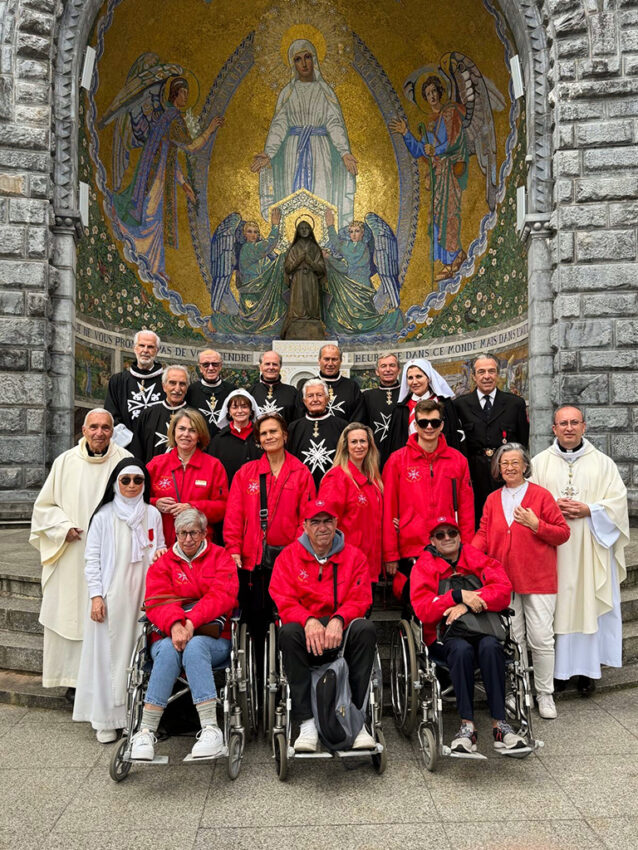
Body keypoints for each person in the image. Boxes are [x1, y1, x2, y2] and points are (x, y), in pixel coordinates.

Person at [29, 409, 131, 692]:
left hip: (112, 554)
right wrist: (63, 529)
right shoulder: (65, 463)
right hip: (73, 551)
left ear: (113, 431)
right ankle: (73, 682)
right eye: (94, 427)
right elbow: (44, 507)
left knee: (109, 616)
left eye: (106, 428)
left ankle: (105, 683)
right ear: (83, 430)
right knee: (71, 613)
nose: (100, 433)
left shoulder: (124, 461)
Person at [531, 405, 629, 696]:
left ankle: (587, 672)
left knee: (587, 604)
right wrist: (550, 509)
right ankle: (558, 673)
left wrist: (590, 509)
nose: (569, 428)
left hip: (590, 547)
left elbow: (618, 503)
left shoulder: (603, 463)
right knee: (558, 608)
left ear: (584, 427)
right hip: (554, 549)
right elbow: (529, 502)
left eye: (575, 423)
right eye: (563, 423)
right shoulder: (539, 463)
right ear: (554, 429)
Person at [128, 508, 238, 761]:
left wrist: (190, 622)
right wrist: (176, 624)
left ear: (204, 532)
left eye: (194, 533)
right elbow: (156, 600)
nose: (188, 539)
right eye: (182, 533)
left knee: (196, 645)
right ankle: (146, 731)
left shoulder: (220, 558)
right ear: (175, 534)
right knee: (167, 649)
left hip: (213, 638)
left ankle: (210, 728)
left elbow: (223, 595)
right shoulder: (163, 563)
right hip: (168, 636)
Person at [411, 516, 527, 754]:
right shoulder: (424, 565)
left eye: (451, 533)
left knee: (491, 646)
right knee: (461, 650)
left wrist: (470, 602)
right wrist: (456, 596)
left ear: (460, 536)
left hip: (482, 629)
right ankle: (467, 726)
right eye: (440, 535)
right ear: (432, 540)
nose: (447, 538)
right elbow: (423, 609)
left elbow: (504, 590)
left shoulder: (476, 557)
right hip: (446, 637)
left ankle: (500, 724)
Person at [269, 499, 376, 752]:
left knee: (365, 629)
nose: (322, 527)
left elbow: (361, 598)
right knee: (288, 632)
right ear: (304, 526)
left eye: (327, 521)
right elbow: (282, 597)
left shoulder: (354, 556)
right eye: (315, 522)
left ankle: (357, 721)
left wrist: (339, 619)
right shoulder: (288, 557)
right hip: (306, 635)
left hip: (340, 634)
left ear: (337, 523)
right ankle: (306, 723)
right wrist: (307, 620)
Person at [472, 443, 570, 719]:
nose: (511, 468)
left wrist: (536, 524)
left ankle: (544, 694)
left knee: (541, 639)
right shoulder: (492, 499)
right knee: (513, 639)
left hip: (538, 578)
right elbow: (484, 533)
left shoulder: (541, 496)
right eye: (505, 464)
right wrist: (467, 555)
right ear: (498, 469)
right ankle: (517, 691)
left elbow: (562, 533)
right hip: (504, 581)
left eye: (516, 462)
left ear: (526, 466)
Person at [73, 460, 166, 742]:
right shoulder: (103, 516)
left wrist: (161, 555)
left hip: (142, 595)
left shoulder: (151, 514)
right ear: (116, 482)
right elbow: (92, 560)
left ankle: (132, 718)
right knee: (107, 657)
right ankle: (104, 720)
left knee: (137, 656)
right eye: (125, 480)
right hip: (112, 596)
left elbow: (158, 546)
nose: (131, 486)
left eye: (138, 480)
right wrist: (96, 596)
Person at [112, 75, 223, 278]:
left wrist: (183, 183)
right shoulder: (173, 118)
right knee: (151, 214)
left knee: (156, 216)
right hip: (156, 176)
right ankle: (138, 249)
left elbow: (169, 153)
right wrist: (210, 129)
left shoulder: (167, 117)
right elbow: (191, 147)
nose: (186, 97)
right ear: (175, 94)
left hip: (159, 173)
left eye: (188, 94)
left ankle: (154, 265)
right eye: (184, 93)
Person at [224, 413, 315, 644]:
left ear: (284, 436)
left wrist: (293, 551)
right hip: (252, 561)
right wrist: (233, 548)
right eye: (264, 433)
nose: (269, 436)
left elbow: (305, 518)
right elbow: (235, 515)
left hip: (289, 561)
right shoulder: (246, 473)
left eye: (273, 431)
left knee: (287, 620)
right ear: (258, 440)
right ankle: (259, 674)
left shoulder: (300, 472)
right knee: (255, 621)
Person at [250, 38, 357, 227]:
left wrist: (344, 152)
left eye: (308, 57)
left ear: (314, 60)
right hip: (294, 150)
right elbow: (279, 124)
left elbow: (334, 123)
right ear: (293, 64)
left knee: (321, 194)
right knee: (292, 195)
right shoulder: (288, 93)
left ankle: (322, 243)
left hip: (319, 149)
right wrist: (269, 152)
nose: (304, 63)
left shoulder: (324, 92)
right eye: (298, 59)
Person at [382, 399, 474, 609]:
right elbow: (389, 510)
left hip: (448, 545)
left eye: (434, 422)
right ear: (415, 425)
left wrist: (466, 550)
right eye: (423, 423)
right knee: (415, 606)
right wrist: (390, 554)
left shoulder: (458, 460)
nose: (429, 427)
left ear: (442, 424)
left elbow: (467, 510)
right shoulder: (397, 460)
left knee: (447, 606)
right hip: (411, 546)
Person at [389, 75, 468, 282]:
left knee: (449, 213)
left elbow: (456, 142)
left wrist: (437, 150)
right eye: (427, 94)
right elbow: (418, 151)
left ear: (440, 92)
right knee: (437, 218)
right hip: (437, 177)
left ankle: (456, 256)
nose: (432, 96)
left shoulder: (451, 114)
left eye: (434, 92)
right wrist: (406, 133)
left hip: (449, 172)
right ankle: (447, 262)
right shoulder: (429, 126)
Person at [453, 354, 529, 527]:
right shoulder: (459, 405)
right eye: (481, 372)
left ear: (498, 374)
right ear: (473, 376)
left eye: (491, 371)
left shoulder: (514, 404)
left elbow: (522, 443)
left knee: (506, 523)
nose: (486, 376)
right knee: (477, 523)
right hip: (473, 478)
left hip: (505, 477)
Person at [147, 408, 228, 547]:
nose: (186, 434)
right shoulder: (156, 464)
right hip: (161, 545)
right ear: (174, 432)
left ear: (199, 435)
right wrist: (155, 503)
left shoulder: (214, 466)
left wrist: (194, 507)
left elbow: (223, 507)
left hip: (198, 545)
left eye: (192, 430)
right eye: (181, 429)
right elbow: (136, 501)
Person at [318, 422, 384, 583]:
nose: (359, 446)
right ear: (346, 446)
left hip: (370, 563)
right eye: (354, 442)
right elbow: (324, 524)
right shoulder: (336, 478)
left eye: (363, 441)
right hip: (345, 565)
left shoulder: (373, 479)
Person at [386, 358, 464, 463]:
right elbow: (395, 444)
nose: (414, 382)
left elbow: (454, 439)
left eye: (419, 376)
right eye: (410, 378)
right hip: (410, 464)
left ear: (429, 378)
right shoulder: (400, 409)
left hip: (441, 463)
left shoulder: (445, 404)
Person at [288, 378, 348, 489]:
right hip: (301, 488)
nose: (315, 400)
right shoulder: (293, 428)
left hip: (335, 488)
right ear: (304, 400)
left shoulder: (343, 427)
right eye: (310, 396)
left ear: (327, 399)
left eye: (319, 395)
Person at [104, 329, 165, 438]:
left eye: (150, 347)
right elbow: (111, 416)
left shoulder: (167, 381)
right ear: (135, 348)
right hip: (127, 446)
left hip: (159, 445)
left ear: (157, 350)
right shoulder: (118, 381)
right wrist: (132, 442)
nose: (145, 350)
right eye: (141, 346)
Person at [130, 364, 189, 463]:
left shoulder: (195, 416)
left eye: (182, 384)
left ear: (187, 388)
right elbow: (138, 450)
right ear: (164, 386)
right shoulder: (147, 414)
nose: (177, 389)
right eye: (172, 383)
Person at [281, 219, 327, 340]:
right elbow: (288, 267)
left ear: (311, 230)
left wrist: (311, 262)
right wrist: (300, 258)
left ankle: (312, 319)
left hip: (312, 279)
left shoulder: (314, 248)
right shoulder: (295, 248)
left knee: (312, 304)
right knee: (298, 304)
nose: (304, 230)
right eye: (301, 228)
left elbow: (322, 268)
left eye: (307, 228)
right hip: (298, 279)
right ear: (298, 231)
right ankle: (297, 321)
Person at [207, 389, 263, 486]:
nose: (240, 411)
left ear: (251, 410)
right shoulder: (218, 440)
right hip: (228, 492)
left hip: (258, 492)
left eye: (244, 407)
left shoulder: (262, 435)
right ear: (228, 411)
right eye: (235, 407)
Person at [296, 344, 364, 421]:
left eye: (334, 359)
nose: (330, 364)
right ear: (319, 360)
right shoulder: (308, 386)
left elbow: (358, 418)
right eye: (326, 359)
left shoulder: (352, 387)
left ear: (341, 361)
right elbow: (300, 417)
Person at [185, 350, 235, 441]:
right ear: (200, 368)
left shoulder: (232, 391)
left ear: (220, 366)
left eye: (215, 364)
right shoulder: (191, 390)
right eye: (206, 365)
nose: (211, 368)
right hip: (198, 443)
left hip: (225, 442)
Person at [361, 353, 401, 460]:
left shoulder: (407, 394)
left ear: (399, 370)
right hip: (374, 455)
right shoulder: (366, 396)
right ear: (377, 372)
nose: (388, 370)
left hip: (402, 454)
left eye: (392, 365)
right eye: (383, 366)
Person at [250, 350, 298, 424]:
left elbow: (297, 422)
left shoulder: (292, 392)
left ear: (280, 366)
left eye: (275, 364)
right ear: (260, 366)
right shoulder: (251, 391)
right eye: (267, 364)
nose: (271, 367)